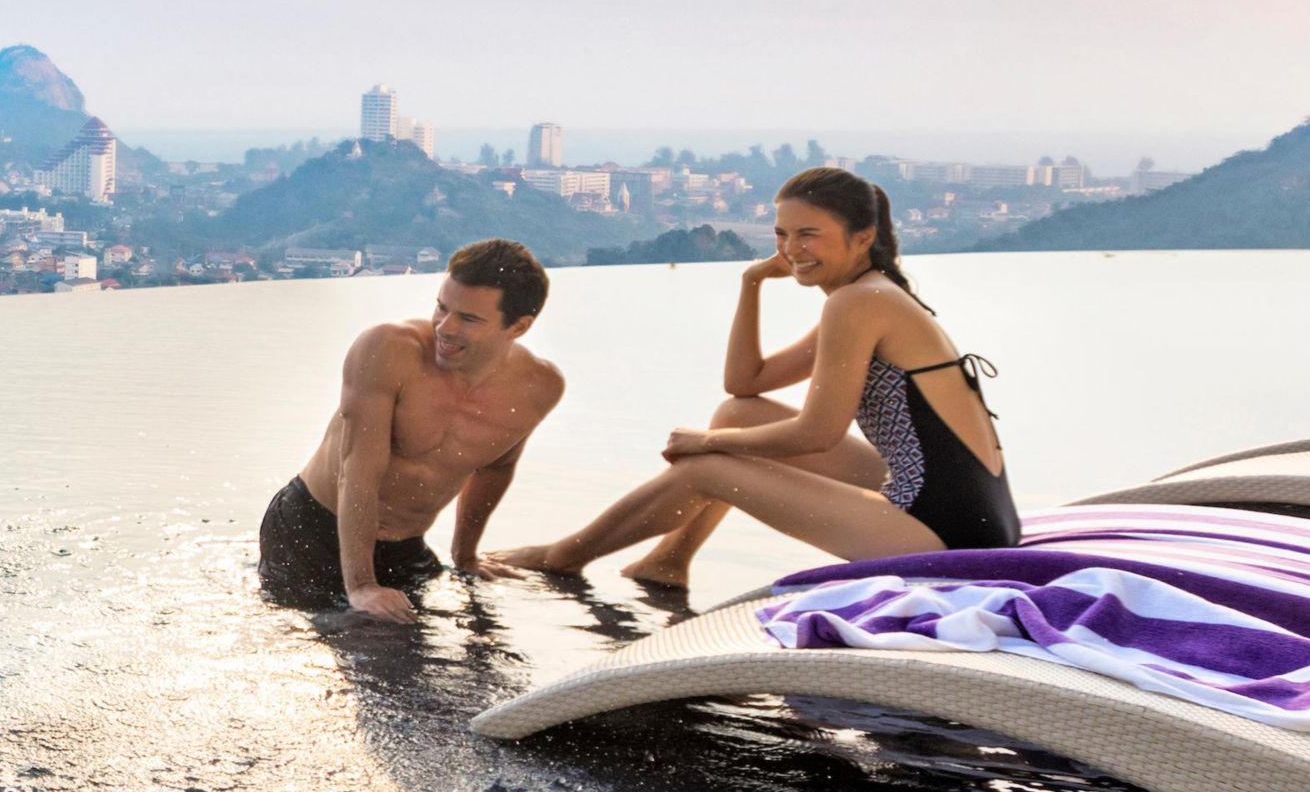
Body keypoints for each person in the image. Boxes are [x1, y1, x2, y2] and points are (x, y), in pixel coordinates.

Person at [491, 166, 1013, 585]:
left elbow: (817, 433)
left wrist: (707, 443)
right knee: (740, 415)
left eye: (810, 234)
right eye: (783, 235)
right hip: (970, 511)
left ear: (863, 237)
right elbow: (745, 384)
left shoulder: (860, 302)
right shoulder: (867, 295)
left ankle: (562, 557)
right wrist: (752, 282)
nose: (791, 250)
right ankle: (668, 560)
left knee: (707, 466)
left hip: (948, 532)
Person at [265, 239, 567, 619]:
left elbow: (496, 467)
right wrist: (362, 586)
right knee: (351, 646)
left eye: (469, 319)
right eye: (442, 307)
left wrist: (466, 556)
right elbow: (358, 468)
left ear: (519, 327)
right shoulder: (389, 349)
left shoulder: (538, 388)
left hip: (404, 545)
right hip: (313, 528)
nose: (445, 327)